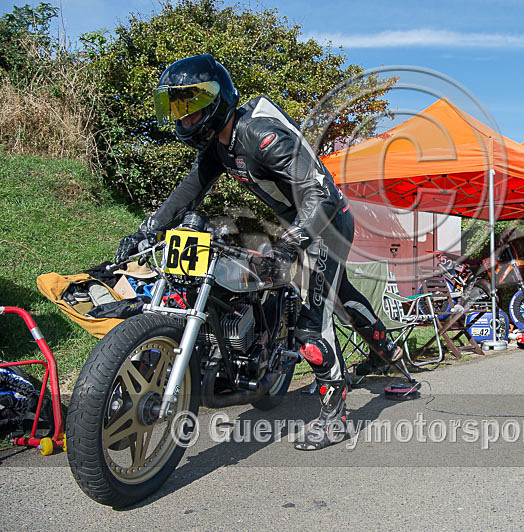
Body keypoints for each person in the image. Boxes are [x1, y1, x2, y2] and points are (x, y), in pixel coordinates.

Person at [114, 54, 401, 450]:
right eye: (176, 108)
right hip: (298, 223)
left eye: (191, 106)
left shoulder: (259, 134)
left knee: (311, 326)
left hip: (328, 222)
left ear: (216, 101)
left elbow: (321, 195)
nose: (183, 119)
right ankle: (388, 353)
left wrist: (289, 242)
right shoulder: (220, 146)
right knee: (343, 297)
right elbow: (188, 192)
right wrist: (146, 230)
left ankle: (336, 418)